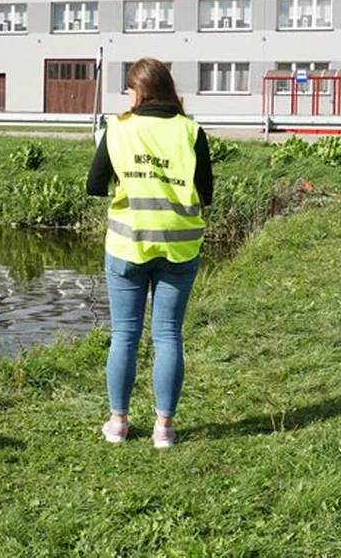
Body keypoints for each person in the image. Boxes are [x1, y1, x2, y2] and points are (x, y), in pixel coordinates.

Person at [86, 58, 213, 449]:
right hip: (178, 245)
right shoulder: (191, 131)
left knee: (125, 334)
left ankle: (119, 423)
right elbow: (205, 193)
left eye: (129, 90)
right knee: (168, 335)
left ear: (138, 91)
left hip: (129, 243)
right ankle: (164, 428)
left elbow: (94, 185)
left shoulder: (118, 129)